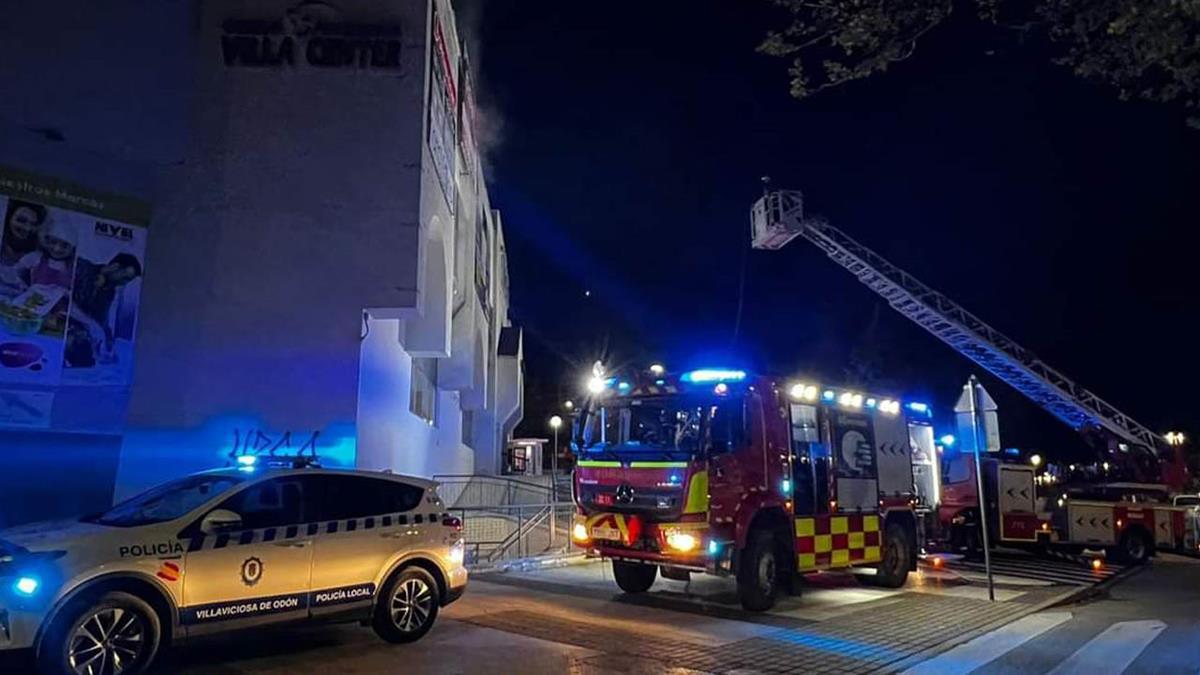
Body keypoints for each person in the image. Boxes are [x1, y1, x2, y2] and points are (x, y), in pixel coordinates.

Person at [64, 253, 143, 367]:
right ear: (114, 266)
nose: (124, 283)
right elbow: (60, 298)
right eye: (125, 278)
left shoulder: (109, 292)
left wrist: (108, 345)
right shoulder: (81, 267)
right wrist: (91, 324)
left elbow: (102, 321)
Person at [0, 200, 47, 298]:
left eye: (33, 224)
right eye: (21, 220)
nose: (27, 228)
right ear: (8, 217)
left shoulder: (38, 253)